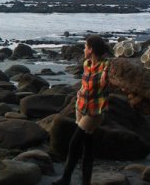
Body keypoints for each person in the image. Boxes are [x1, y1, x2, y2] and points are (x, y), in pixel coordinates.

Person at [52, 34, 112, 185]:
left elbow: (110, 79)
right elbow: (84, 86)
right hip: (81, 107)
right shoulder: (87, 64)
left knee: (74, 143)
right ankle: (86, 182)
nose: (84, 49)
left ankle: (66, 179)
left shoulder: (107, 66)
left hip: (94, 112)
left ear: (91, 49)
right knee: (88, 146)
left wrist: (107, 77)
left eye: (85, 46)